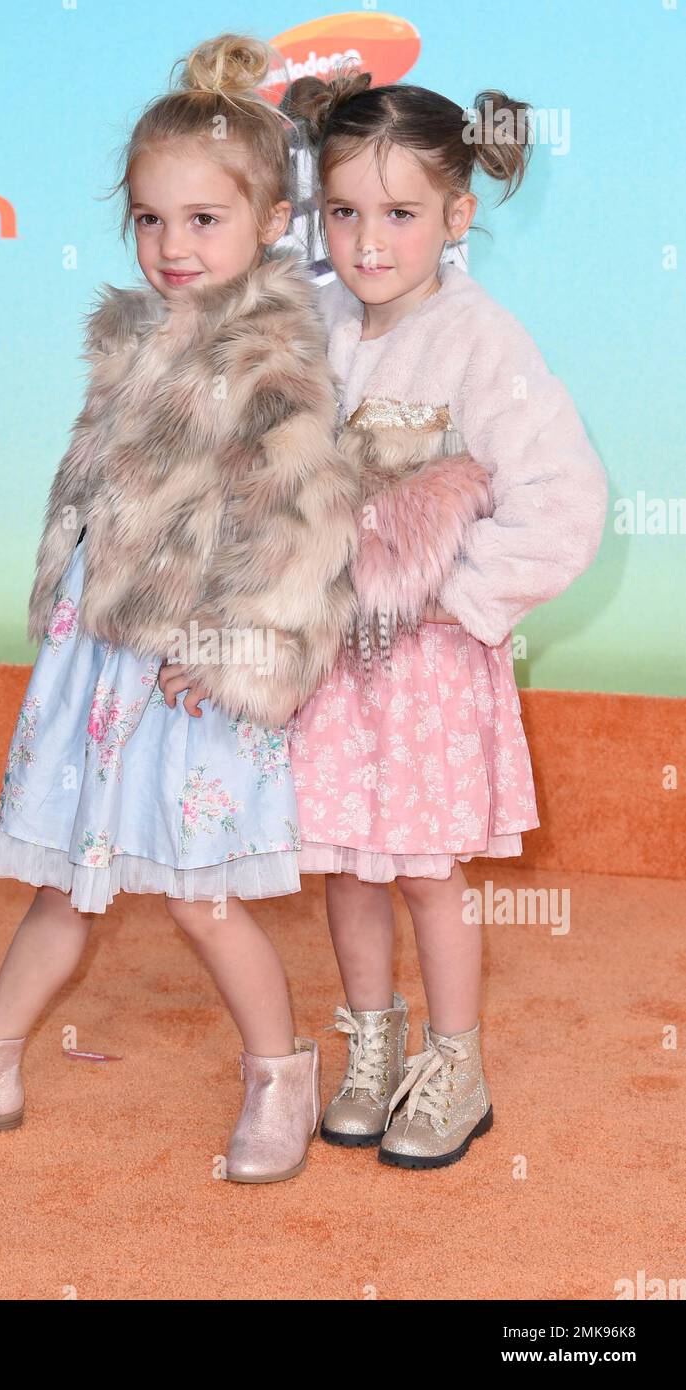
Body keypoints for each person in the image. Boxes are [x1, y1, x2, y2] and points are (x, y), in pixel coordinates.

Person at [0, 34, 360, 1185]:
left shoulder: (271, 356)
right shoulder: (139, 337)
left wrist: (229, 651)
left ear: (273, 221)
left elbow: (308, 530)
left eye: (203, 220)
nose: (172, 246)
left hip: (193, 668)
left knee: (200, 897)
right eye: (149, 220)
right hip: (105, 654)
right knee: (67, 878)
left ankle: (280, 1071)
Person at [281, 72, 608, 1167]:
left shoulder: (481, 340)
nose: (368, 242)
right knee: (346, 863)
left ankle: (454, 1064)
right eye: (344, 211)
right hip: (331, 663)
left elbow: (563, 503)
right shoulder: (310, 321)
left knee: (423, 868)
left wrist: (445, 596)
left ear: (457, 215)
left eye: (400, 213)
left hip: (422, 667)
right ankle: (370, 1049)